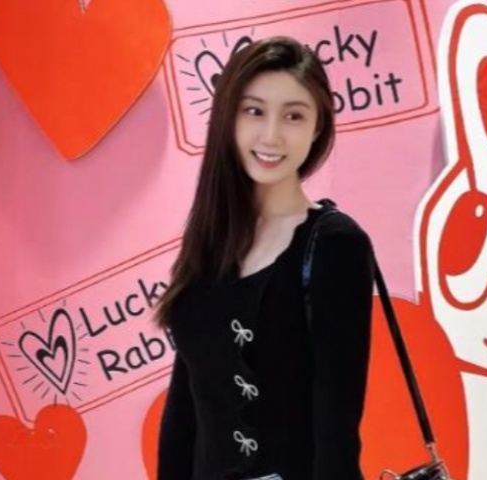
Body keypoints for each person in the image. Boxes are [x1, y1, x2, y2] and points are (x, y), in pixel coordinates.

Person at [154, 36, 375, 480]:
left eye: (294, 115)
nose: (271, 135)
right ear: (228, 119)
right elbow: (186, 406)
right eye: (254, 111)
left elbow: (337, 429)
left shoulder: (335, 245)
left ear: (317, 127)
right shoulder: (213, 237)